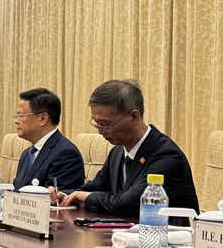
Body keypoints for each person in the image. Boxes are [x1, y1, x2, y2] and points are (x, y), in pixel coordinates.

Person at [55, 79, 199, 216]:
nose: (100, 131)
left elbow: (129, 204)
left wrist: (87, 198)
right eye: (96, 123)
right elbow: (95, 187)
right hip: (125, 235)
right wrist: (63, 194)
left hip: (167, 237)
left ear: (134, 116)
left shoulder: (166, 155)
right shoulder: (117, 152)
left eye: (105, 124)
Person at [12, 88, 85, 191]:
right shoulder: (27, 154)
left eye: (20, 116)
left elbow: (56, 199)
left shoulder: (66, 154)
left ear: (43, 119)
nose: (16, 121)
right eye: (16, 116)